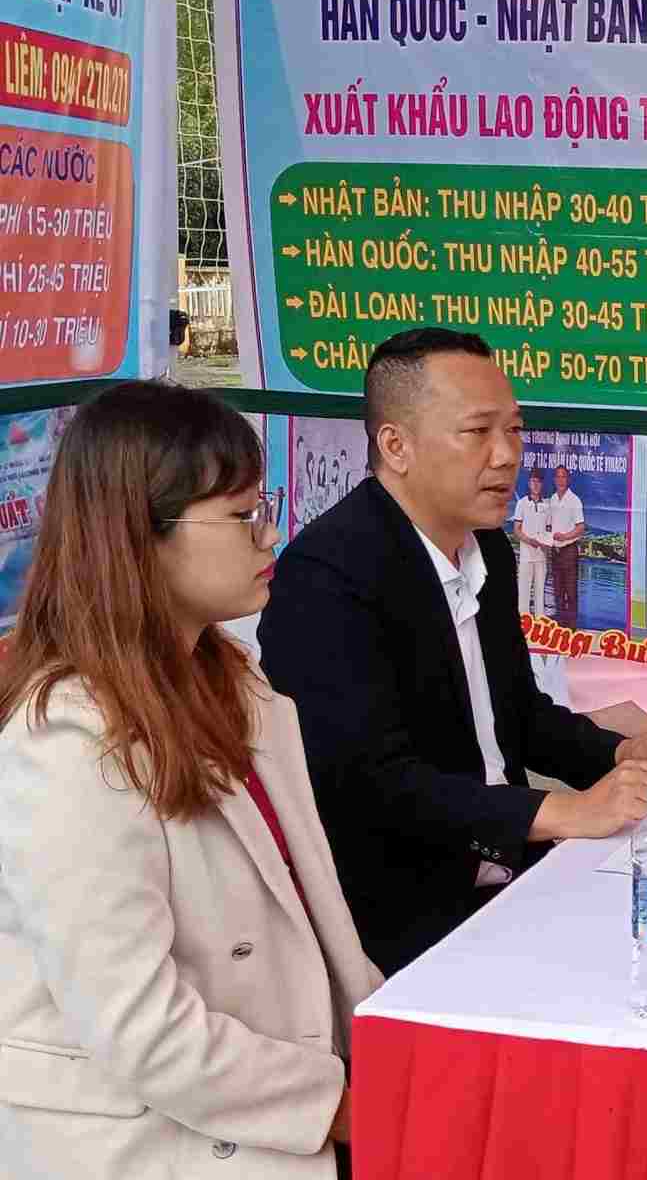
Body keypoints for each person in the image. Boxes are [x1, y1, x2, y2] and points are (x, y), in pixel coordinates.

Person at [0, 381, 381, 1178]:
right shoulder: (64, 740)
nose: (270, 534)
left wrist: (385, 1053)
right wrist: (340, 1105)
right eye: (242, 516)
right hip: (152, 1150)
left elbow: (314, 919)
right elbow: (144, 1030)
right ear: (140, 534)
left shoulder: (233, 679)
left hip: (288, 1104)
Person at [258, 328, 647, 975]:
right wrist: (565, 811)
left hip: (514, 879)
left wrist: (619, 754)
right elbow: (372, 783)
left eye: (514, 430)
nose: (507, 455)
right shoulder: (325, 577)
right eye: (477, 432)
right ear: (396, 446)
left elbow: (516, 714)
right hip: (403, 920)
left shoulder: (483, 543)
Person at [549, 464, 586, 628]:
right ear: (554, 479)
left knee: (570, 593)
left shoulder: (574, 500)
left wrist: (565, 537)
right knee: (557, 592)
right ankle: (560, 628)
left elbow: (580, 527)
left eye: (563, 476)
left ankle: (571, 629)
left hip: (569, 551)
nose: (560, 479)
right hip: (555, 551)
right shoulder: (552, 499)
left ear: (568, 479)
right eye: (558, 476)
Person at [511, 469, 551, 619]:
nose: (535, 484)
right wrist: (530, 541)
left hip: (541, 556)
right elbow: (516, 530)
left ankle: (540, 621)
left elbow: (549, 529)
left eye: (538, 481)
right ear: (529, 483)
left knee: (540, 592)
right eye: (533, 481)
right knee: (524, 592)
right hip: (526, 556)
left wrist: (547, 544)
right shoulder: (522, 503)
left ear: (542, 484)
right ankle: (523, 622)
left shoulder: (547, 505)